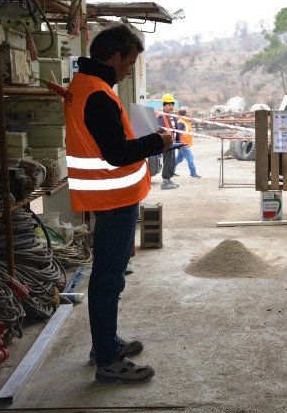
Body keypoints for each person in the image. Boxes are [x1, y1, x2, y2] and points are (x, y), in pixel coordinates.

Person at [64, 24, 172, 383]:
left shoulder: (88, 87)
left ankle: (105, 343)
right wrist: (157, 142)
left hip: (108, 197)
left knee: (110, 277)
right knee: (109, 278)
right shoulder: (97, 94)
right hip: (112, 199)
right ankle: (108, 361)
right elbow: (115, 153)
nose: (129, 70)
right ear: (114, 57)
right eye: (129, 62)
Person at [157, 93, 180, 189]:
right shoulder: (161, 116)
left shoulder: (173, 117)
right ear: (164, 105)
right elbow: (160, 129)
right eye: (168, 105)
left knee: (171, 161)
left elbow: (176, 130)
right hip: (166, 143)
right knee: (167, 161)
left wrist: (178, 142)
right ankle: (164, 182)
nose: (171, 107)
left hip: (173, 143)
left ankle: (168, 179)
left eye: (172, 105)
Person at [174, 106, 200, 178]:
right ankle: (193, 173)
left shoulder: (185, 121)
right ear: (185, 114)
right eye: (187, 113)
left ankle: (171, 170)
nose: (189, 114)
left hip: (185, 144)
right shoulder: (181, 122)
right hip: (183, 144)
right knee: (190, 157)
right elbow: (178, 133)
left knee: (179, 159)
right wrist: (179, 144)